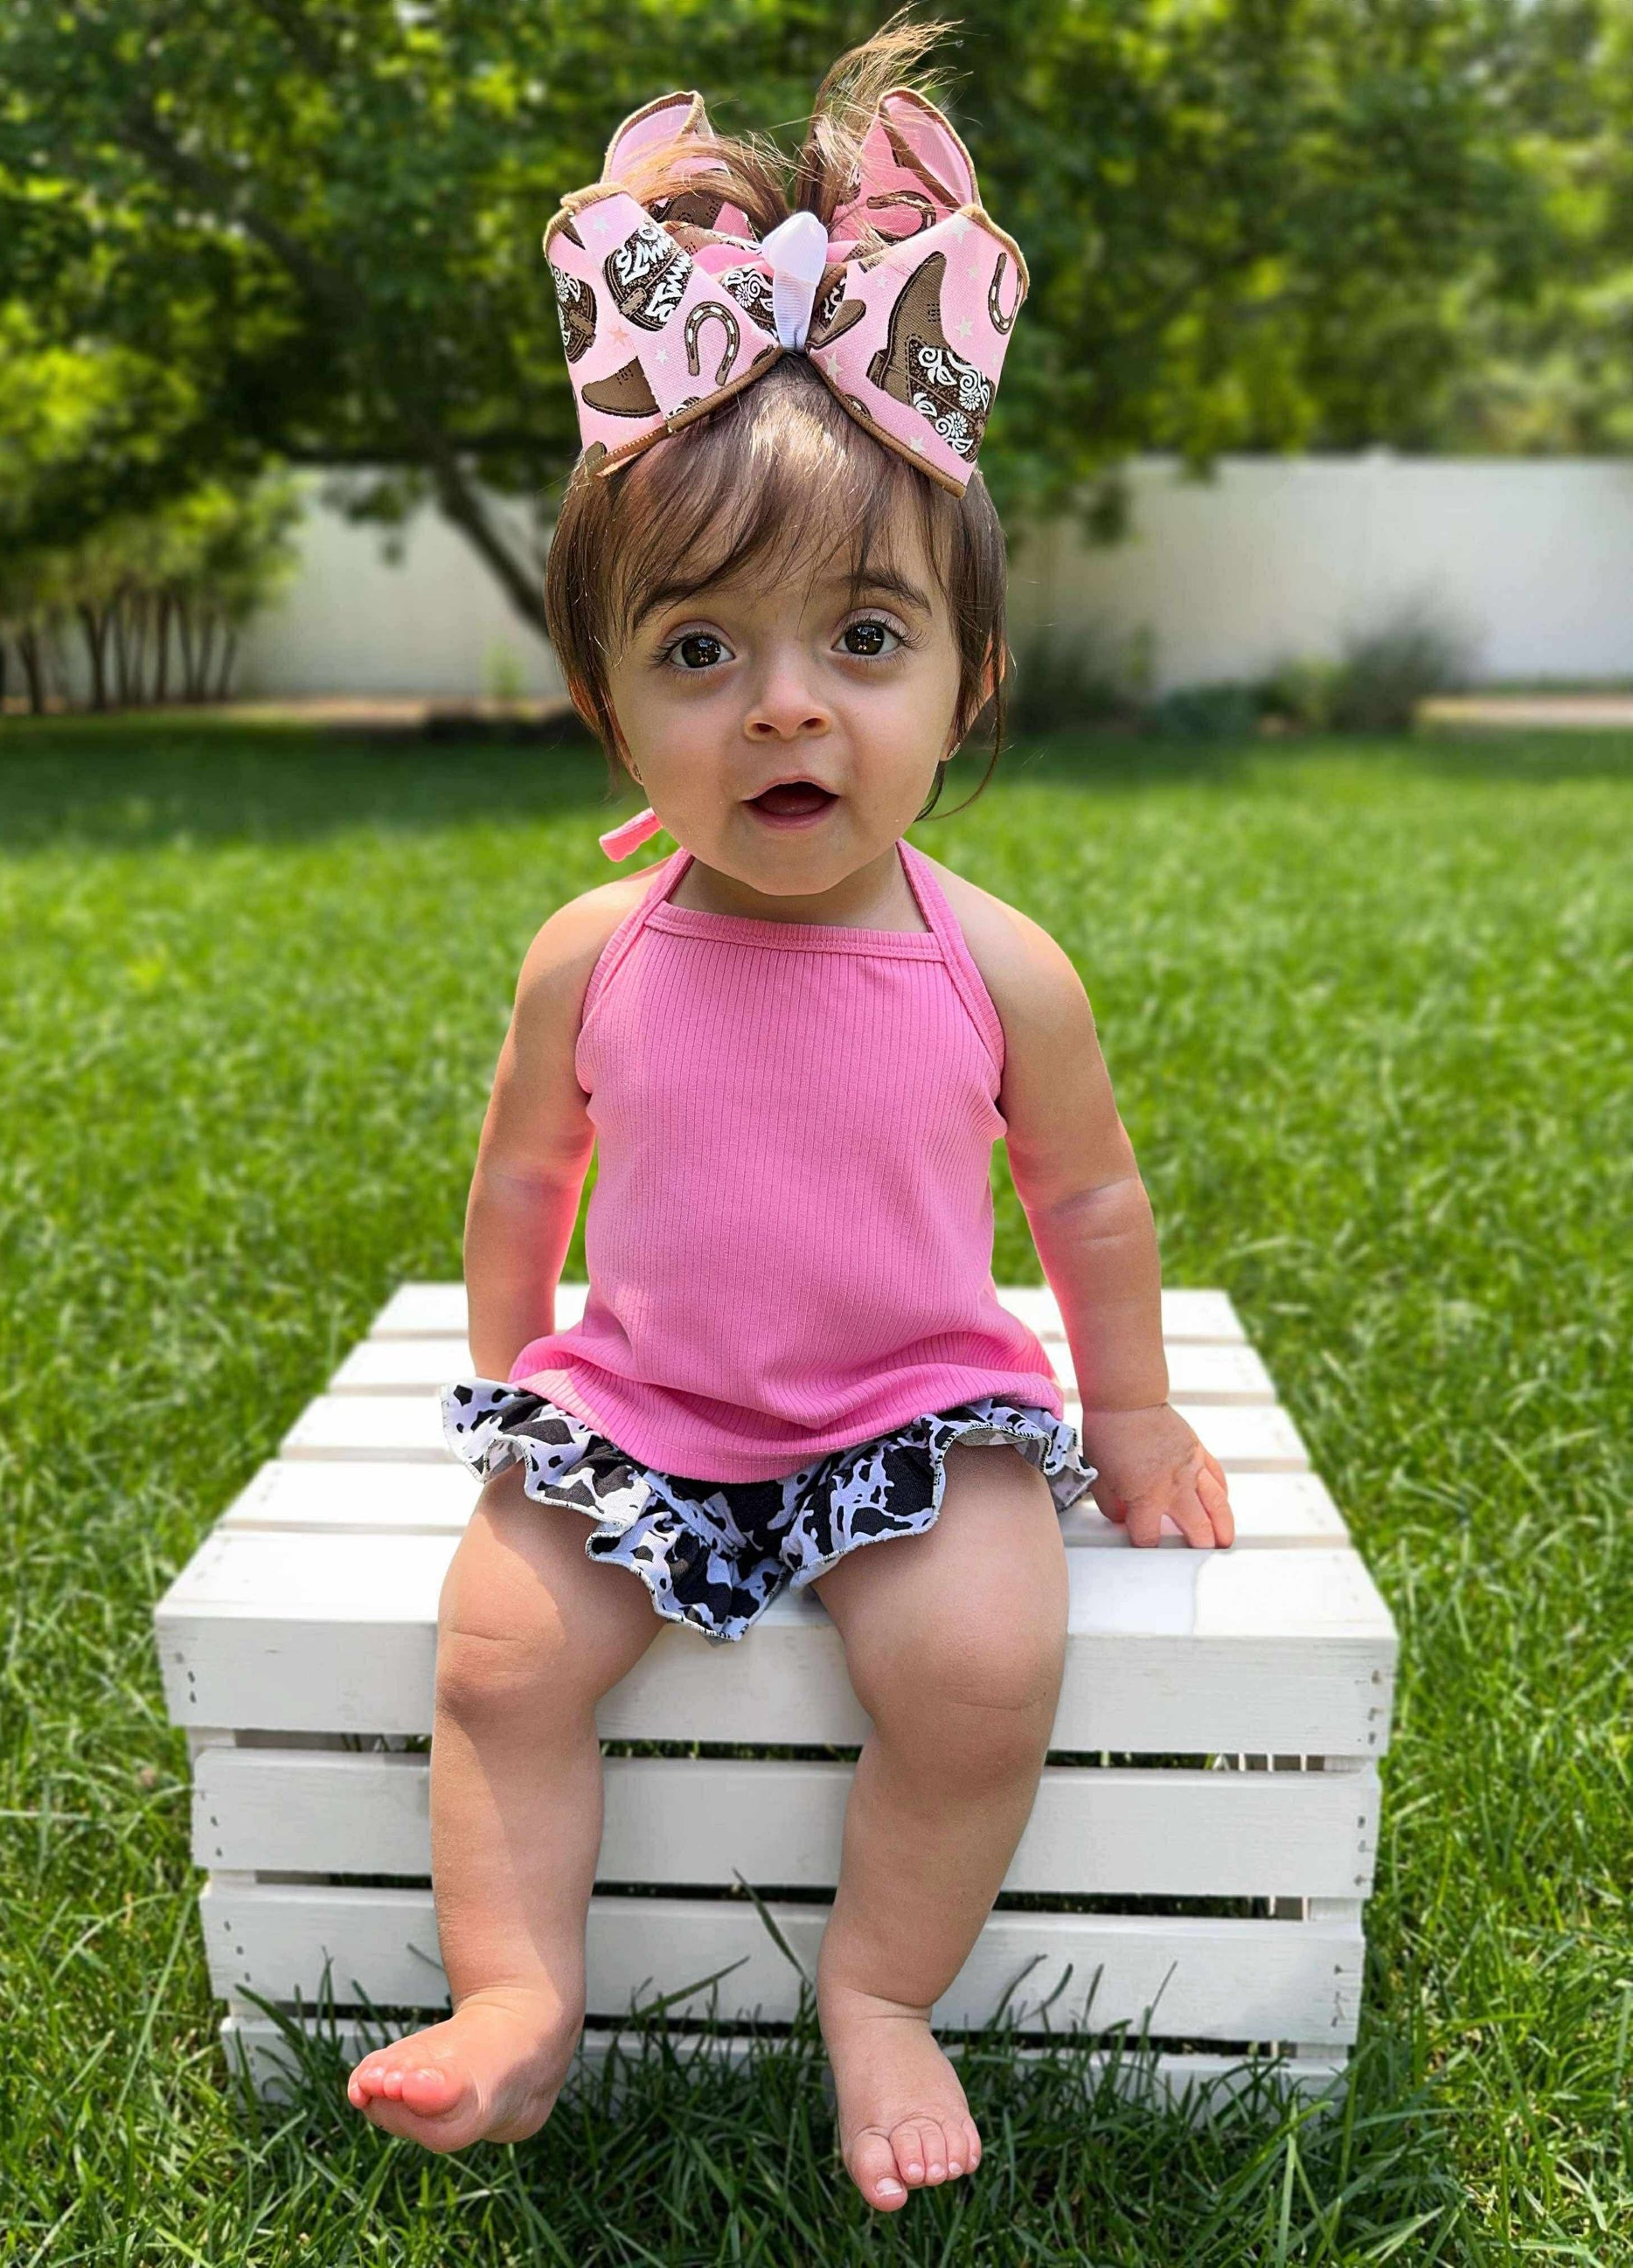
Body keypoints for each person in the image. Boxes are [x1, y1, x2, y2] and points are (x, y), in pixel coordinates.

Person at [347, 16, 1233, 2212]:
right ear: (603, 696)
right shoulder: (595, 951)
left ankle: (879, 1985)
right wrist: (511, 1374)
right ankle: (517, 1988)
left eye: (860, 637)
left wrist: (1126, 1415)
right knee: (499, 1655)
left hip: (912, 1406)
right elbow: (525, 1172)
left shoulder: (993, 964)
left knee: (981, 1656)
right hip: (645, 1401)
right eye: (700, 653)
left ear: (968, 677)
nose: (785, 709)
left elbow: (1090, 1201)